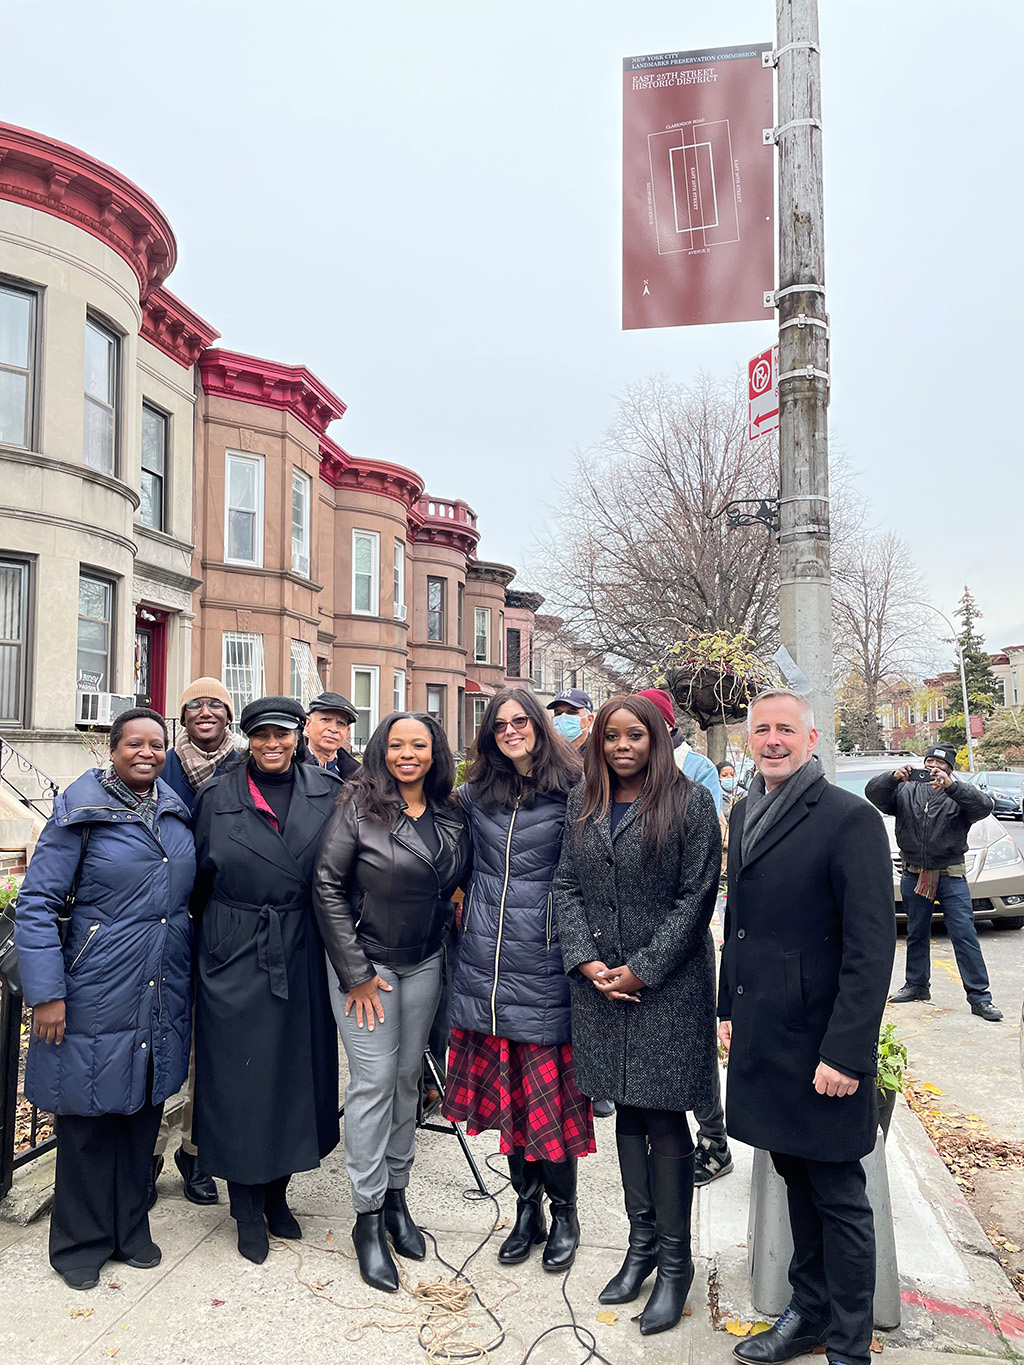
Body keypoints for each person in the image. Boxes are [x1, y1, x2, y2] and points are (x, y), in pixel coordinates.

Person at [719, 689, 895, 1365]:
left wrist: (847, 1053)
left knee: (839, 1194)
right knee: (795, 1173)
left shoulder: (849, 819)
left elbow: (870, 947)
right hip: (767, 1030)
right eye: (761, 728)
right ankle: (810, 1311)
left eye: (785, 729)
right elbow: (739, 918)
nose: (772, 739)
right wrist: (728, 1005)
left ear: (811, 737)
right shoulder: (747, 810)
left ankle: (850, 1344)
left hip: (823, 1042)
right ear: (748, 738)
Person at [554, 695, 721, 1336]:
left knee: (664, 1113)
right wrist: (587, 962)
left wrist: (644, 969)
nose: (622, 746)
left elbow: (696, 897)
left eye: (636, 736)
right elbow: (566, 884)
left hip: (667, 985)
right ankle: (641, 1246)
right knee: (625, 1109)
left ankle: (675, 1266)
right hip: (600, 985)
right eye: (612, 736)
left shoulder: (690, 803)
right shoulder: (584, 802)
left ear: (656, 740)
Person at [14, 708, 195, 1290]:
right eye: (134, 743)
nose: (147, 752)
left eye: (157, 744)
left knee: (139, 1115)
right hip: (93, 989)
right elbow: (37, 904)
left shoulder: (173, 811)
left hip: (158, 986)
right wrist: (46, 993)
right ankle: (79, 1244)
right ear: (112, 750)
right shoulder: (80, 814)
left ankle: (129, 1231)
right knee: (89, 1119)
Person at [313, 712, 470, 1292]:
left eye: (420, 745)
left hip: (425, 960)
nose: (408, 754)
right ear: (382, 749)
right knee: (373, 1082)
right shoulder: (355, 806)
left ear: (435, 752)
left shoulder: (452, 813)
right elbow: (326, 886)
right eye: (398, 744)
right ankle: (367, 1214)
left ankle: (398, 1196)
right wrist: (353, 971)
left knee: (409, 1080)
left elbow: (458, 883)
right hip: (367, 967)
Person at [444, 687, 590, 1273]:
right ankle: (525, 1211)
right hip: (485, 962)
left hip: (547, 961)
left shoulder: (576, 786)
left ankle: (565, 1213)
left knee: (547, 1104)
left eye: (520, 721)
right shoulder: (476, 792)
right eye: (500, 724)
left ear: (539, 725)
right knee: (510, 1104)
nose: (511, 731)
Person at [190, 696, 340, 1265]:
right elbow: (196, 882)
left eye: (282, 734)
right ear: (245, 738)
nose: (272, 745)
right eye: (260, 736)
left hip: (300, 944)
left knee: (293, 1074)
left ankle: (277, 1192)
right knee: (238, 1079)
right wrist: (216, 942)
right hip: (235, 945)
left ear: (299, 735)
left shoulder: (328, 793)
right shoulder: (216, 797)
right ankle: (244, 1205)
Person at [635, 687, 732, 1188]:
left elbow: (703, 859)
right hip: (629, 942)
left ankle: (713, 1140)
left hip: (678, 938)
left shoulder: (696, 774)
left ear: (666, 726)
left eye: (643, 726)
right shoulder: (618, 773)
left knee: (691, 1048)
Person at [154, 676, 239, 1208]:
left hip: (220, 923)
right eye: (194, 705)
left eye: (216, 705)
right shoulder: (158, 766)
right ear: (181, 717)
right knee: (161, 1038)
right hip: (165, 922)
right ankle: (149, 1155)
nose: (205, 712)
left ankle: (194, 1150)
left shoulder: (245, 768)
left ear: (229, 717)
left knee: (208, 1048)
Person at [865, 742, 1003, 1022]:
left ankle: (980, 998)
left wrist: (952, 786)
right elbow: (873, 793)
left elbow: (984, 807)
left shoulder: (959, 794)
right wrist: (893, 777)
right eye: (930, 763)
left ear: (950, 770)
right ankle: (917, 985)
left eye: (941, 766)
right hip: (914, 873)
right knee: (916, 932)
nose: (934, 769)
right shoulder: (904, 790)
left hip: (950, 875)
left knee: (964, 934)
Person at [303, 691, 361, 780]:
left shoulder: (359, 776)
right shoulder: (288, 767)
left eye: (341, 723)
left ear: (347, 732)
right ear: (307, 724)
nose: (333, 729)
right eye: (326, 720)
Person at [547, 687, 594, 753]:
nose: (563, 717)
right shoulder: (546, 754)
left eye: (572, 712)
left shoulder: (600, 754)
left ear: (589, 720)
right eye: (558, 713)